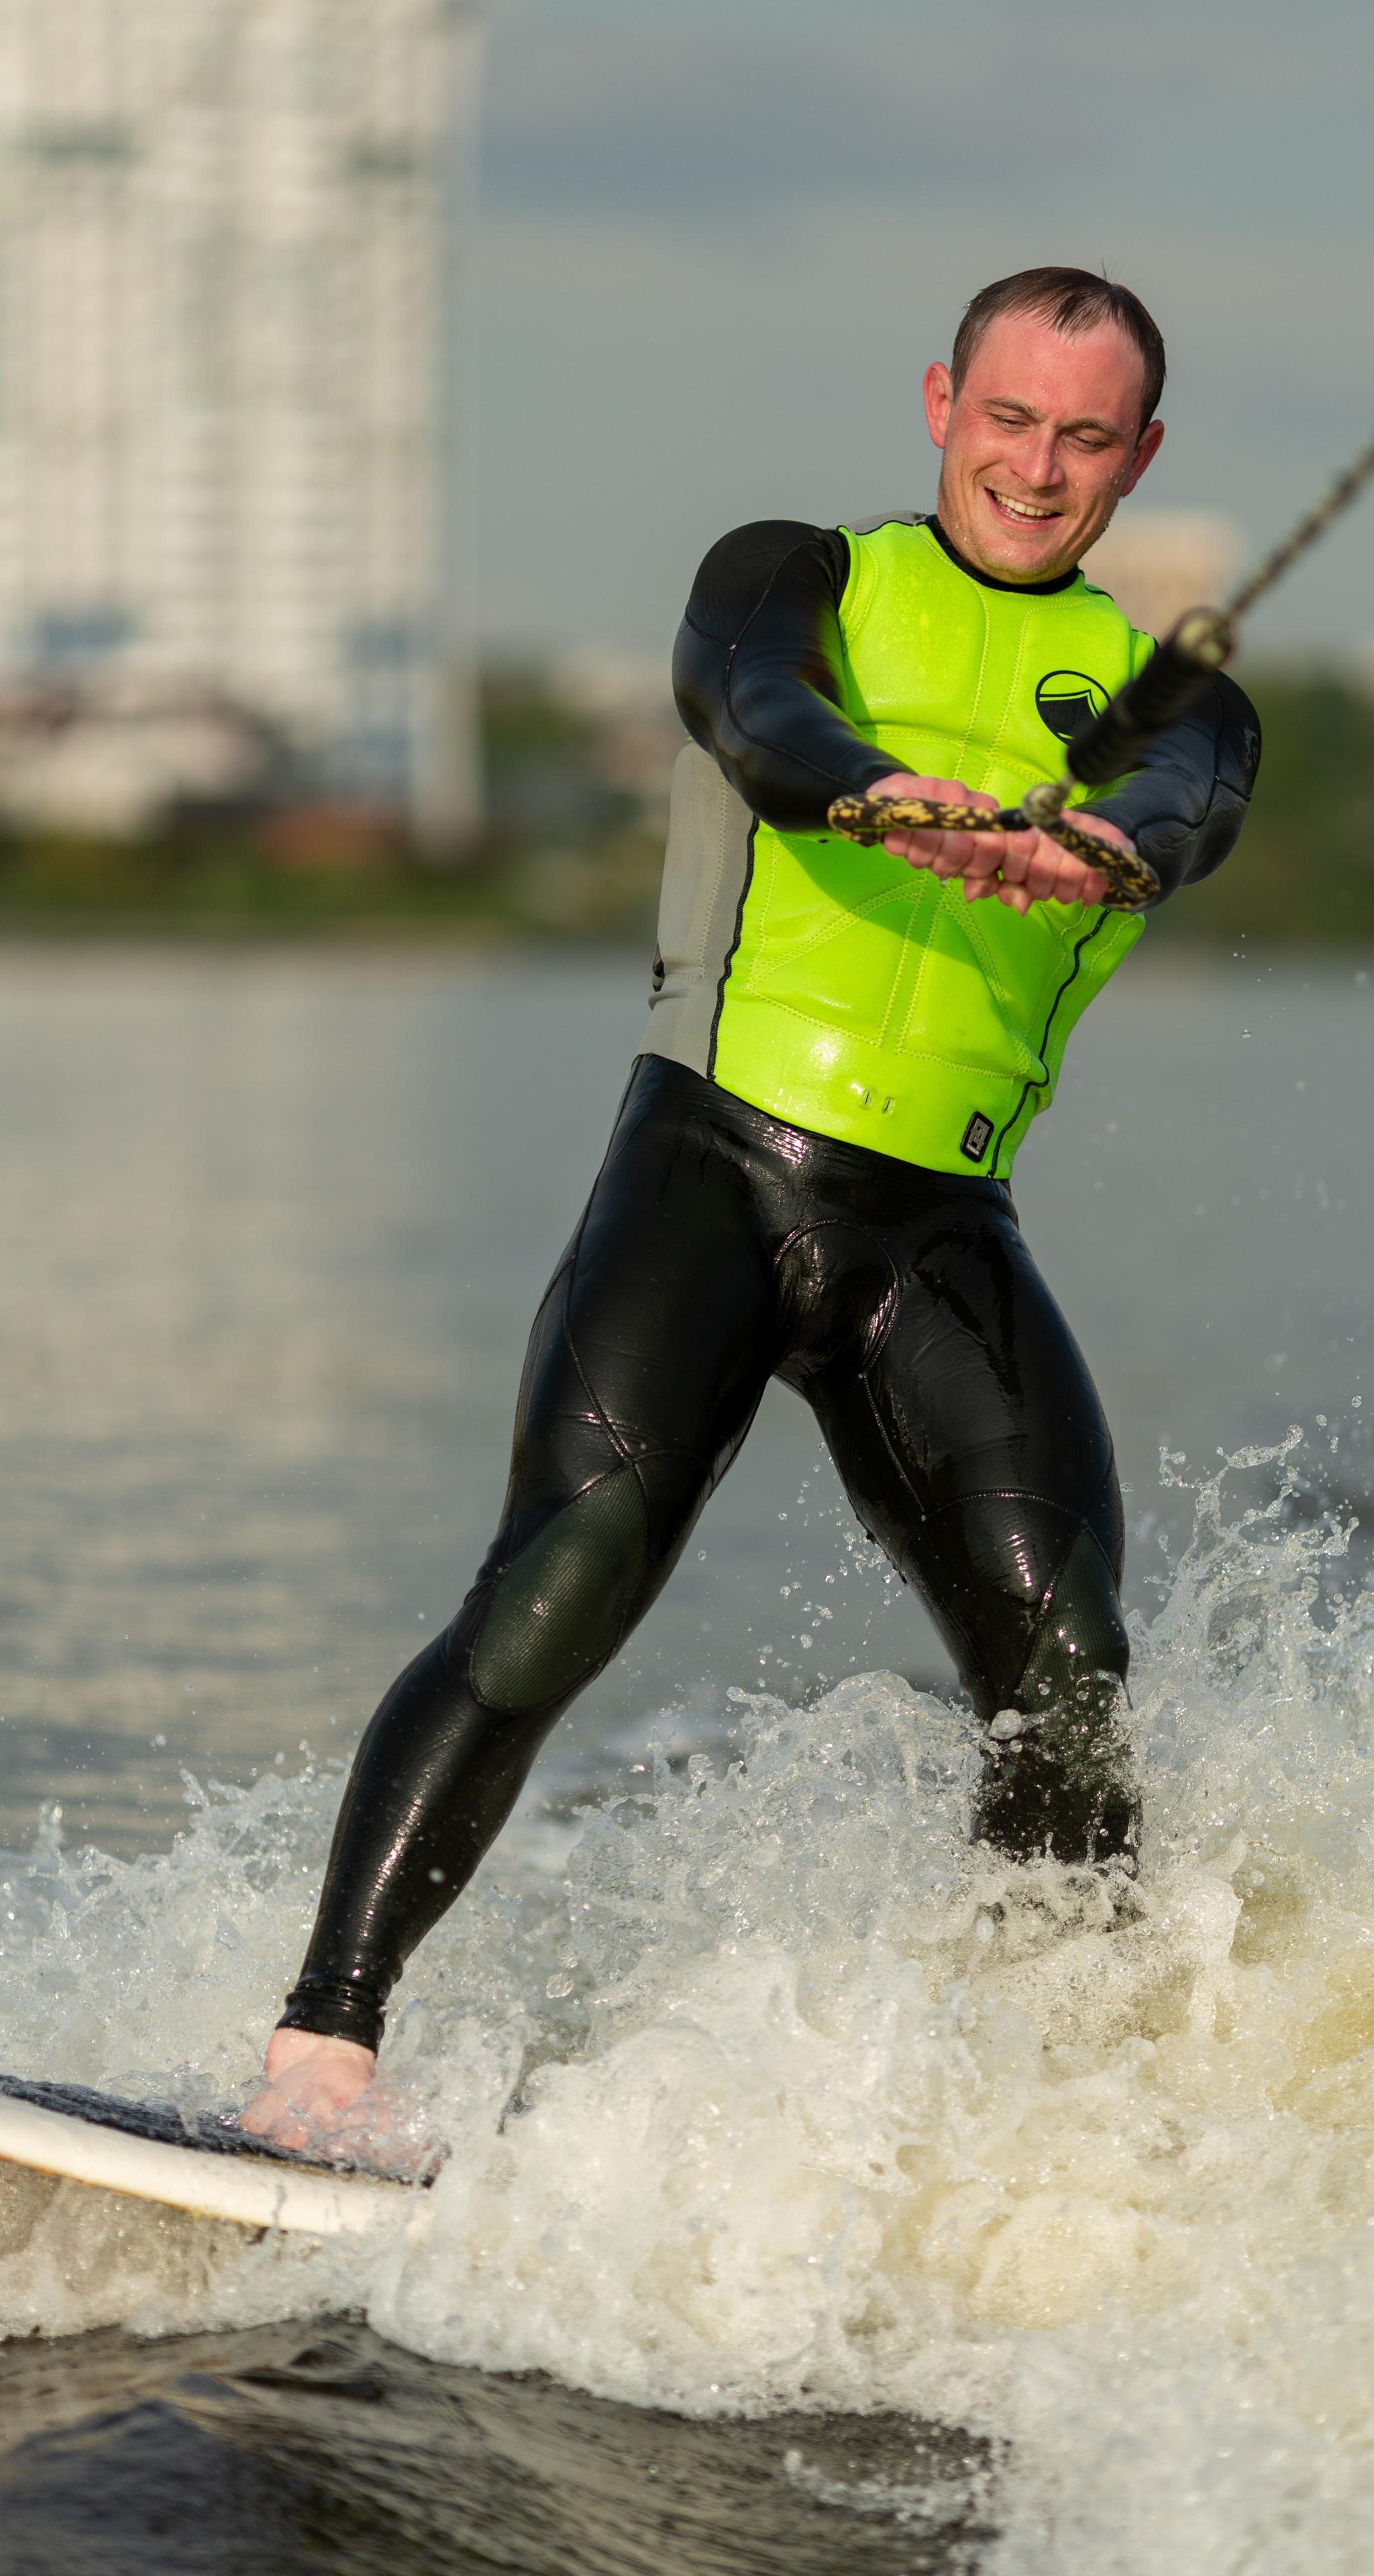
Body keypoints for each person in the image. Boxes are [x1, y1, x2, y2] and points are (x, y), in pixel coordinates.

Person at [243, 266, 1261, 2149]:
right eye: (1009, 420)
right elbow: (752, 705)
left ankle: (1048, 2111)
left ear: (1145, 454)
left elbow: (1194, 800)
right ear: (944, 400)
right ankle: (319, 2059)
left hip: (941, 1238)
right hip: (708, 1168)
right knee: (565, 1582)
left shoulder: (1172, 702)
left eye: (1087, 436)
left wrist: (1102, 837)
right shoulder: (796, 573)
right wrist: (887, 802)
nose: (1037, 471)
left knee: (1074, 1672)